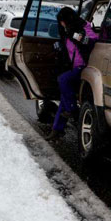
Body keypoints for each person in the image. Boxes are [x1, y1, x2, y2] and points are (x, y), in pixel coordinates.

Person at [45, 7, 99, 141]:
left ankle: (73, 111)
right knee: (64, 100)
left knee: (63, 80)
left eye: (62, 21)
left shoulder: (82, 27)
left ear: (68, 20)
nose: (61, 24)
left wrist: (77, 37)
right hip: (72, 67)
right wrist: (59, 45)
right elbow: (68, 48)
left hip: (84, 68)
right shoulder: (66, 31)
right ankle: (57, 130)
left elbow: (92, 41)